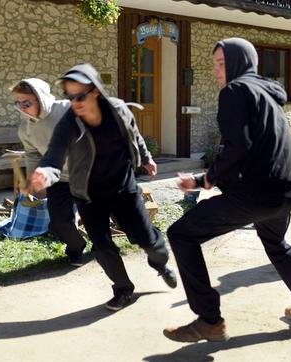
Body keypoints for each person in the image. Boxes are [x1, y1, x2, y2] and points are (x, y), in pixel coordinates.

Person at [163, 38, 291, 343]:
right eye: (213, 63)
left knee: (181, 234)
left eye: (222, 63)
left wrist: (203, 181)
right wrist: (211, 178)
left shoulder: (236, 90)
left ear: (240, 63)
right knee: (276, 242)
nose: (215, 71)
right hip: (289, 188)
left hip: (260, 190)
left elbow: (236, 147)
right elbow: (252, 147)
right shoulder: (265, 93)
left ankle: (209, 321)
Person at [25, 64, 177, 311]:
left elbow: (135, 136)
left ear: (95, 91)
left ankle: (159, 263)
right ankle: (123, 289)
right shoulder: (69, 122)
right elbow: (54, 155)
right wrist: (44, 173)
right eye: (70, 97)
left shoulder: (118, 110)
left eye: (80, 96)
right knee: (102, 245)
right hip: (87, 193)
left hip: (122, 188)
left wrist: (147, 158)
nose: (75, 102)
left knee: (146, 238)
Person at [11, 79, 87, 266]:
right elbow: (33, 155)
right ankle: (76, 248)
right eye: (18, 103)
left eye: (26, 103)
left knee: (96, 218)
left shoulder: (68, 110)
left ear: (41, 98)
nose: (22, 108)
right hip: (59, 178)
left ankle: (104, 247)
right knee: (58, 222)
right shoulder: (25, 129)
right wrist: (32, 180)